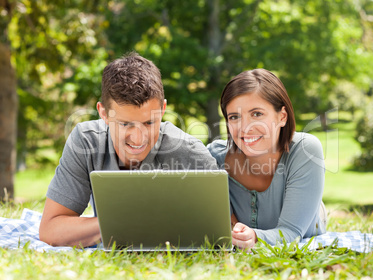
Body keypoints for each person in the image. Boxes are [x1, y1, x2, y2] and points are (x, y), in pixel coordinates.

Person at [39, 52, 217, 247]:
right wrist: (126, 223)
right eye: (125, 124)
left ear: (163, 109)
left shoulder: (189, 151)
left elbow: (220, 232)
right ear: (103, 113)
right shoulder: (86, 142)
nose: (138, 138)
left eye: (149, 122)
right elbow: (50, 230)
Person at [207, 69, 327, 249]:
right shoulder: (214, 158)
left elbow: (291, 233)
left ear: (282, 116)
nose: (245, 128)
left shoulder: (305, 149)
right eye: (234, 117)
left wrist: (254, 237)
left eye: (257, 114)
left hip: (305, 226)